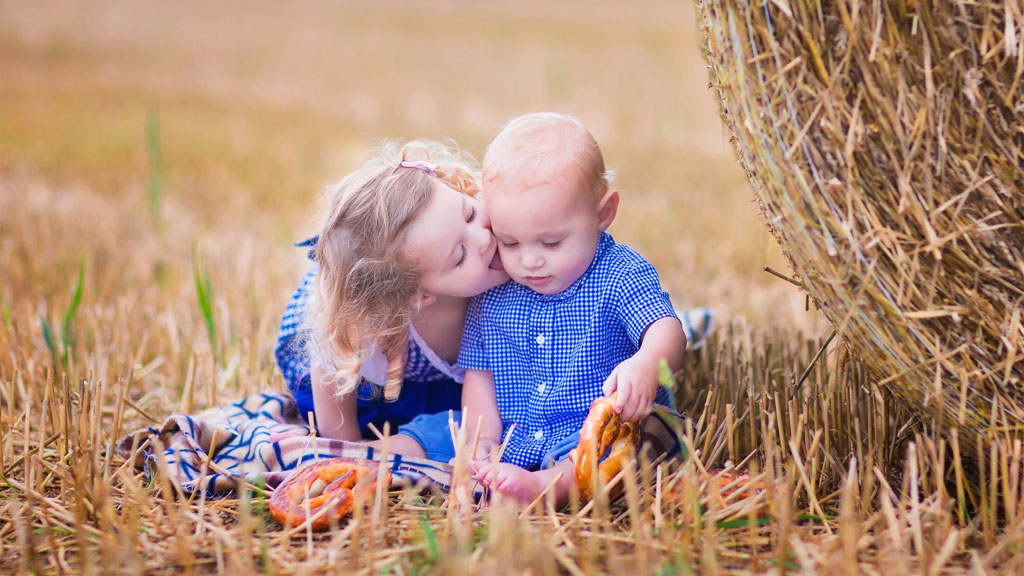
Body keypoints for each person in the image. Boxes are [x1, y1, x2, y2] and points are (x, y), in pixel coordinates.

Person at [458, 112, 688, 504]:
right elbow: (479, 378)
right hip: (526, 440)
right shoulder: (492, 296)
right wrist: (480, 442)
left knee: (637, 445)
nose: (529, 261)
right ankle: (516, 478)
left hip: (609, 434)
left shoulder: (619, 274)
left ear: (603, 214)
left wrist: (648, 362)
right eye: (509, 242)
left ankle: (553, 486)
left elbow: (667, 330)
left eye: (550, 243)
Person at [274, 139, 508, 453]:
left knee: (476, 416)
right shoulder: (374, 324)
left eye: (468, 214)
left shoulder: (511, 249)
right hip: (369, 383)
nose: (483, 237)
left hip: (451, 380)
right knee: (359, 402)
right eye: (460, 256)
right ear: (421, 295)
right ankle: (383, 446)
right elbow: (331, 367)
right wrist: (345, 444)